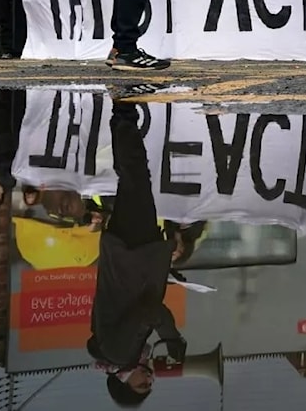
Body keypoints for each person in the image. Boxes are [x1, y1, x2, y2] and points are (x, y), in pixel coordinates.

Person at [86, 98, 187, 406]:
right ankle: (123, 114)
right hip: (131, 252)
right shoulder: (121, 349)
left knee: (135, 176)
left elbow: (148, 310)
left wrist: (171, 338)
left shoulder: (120, 351)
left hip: (132, 250)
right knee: (133, 178)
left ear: (125, 382)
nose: (150, 380)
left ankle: (124, 110)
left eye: (143, 386)